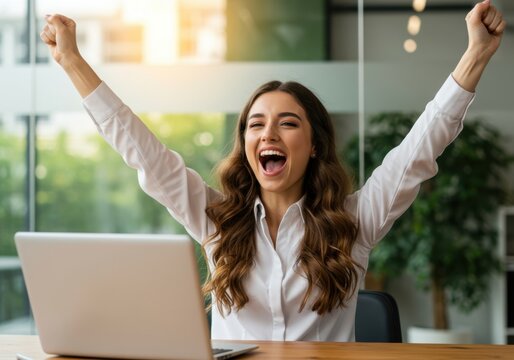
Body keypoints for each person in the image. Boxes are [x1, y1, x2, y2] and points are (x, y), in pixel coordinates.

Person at [40, 0, 505, 342]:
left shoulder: (355, 222)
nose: (269, 135)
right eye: (256, 125)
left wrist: (476, 55)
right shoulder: (214, 220)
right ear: (245, 145)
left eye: (288, 123)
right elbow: (142, 152)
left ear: (315, 144)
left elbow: (419, 151)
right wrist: (72, 62)